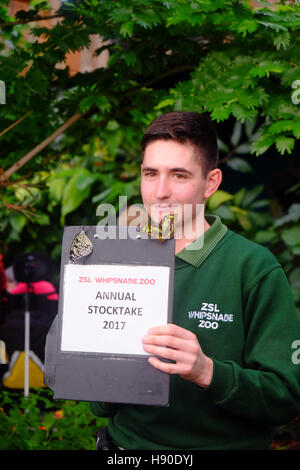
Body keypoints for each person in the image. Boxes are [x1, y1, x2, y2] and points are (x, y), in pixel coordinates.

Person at [91, 111, 300, 450]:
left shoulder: (253, 268)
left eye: (179, 175)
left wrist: (208, 372)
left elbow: (286, 398)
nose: (160, 192)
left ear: (211, 182)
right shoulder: (117, 259)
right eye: (150, 173)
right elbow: (98, 404)